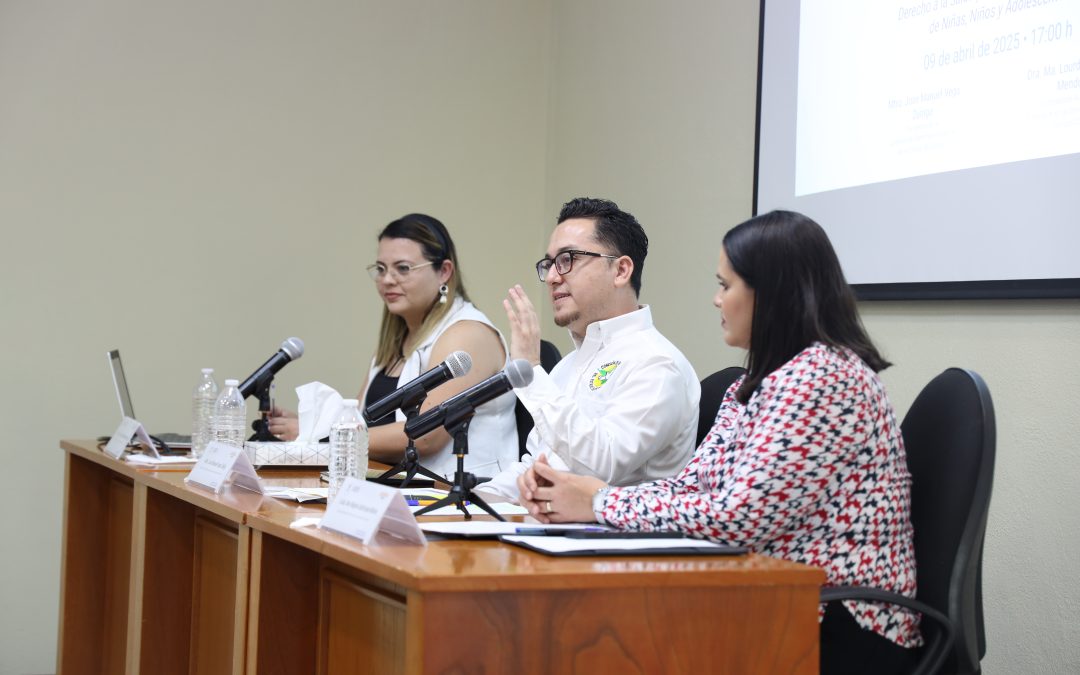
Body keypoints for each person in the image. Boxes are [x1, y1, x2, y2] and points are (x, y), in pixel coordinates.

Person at [517, 210, 922, 674]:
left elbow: (738, 517)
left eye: (726, 286)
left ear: (772, 293)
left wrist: (602, 503)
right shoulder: (754, 382)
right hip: (768, 597)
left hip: (837, 620)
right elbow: (692, 487)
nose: (716, 300)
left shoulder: (824, 377)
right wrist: (584, 496)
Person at [477, 197, 699, 500]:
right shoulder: (569, 365)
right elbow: (534, 468)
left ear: (621, 271)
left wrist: (531, 369)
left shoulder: (657, 364)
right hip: (546, 533)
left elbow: (601, 466)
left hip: (616, 542)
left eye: (568, 259)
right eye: (550, 264)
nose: (553, 276)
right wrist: (471, 501)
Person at [268, 213, 517, 478]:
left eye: (403, 268)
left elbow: (425, 436)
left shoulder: (468, 334)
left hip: (463, 501)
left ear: (444, 271)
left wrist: (327, 436)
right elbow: (366, 421)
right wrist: (310, 426)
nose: (387, 279)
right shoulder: (396, 340)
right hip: (393, 488)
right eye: (381, 269)